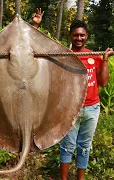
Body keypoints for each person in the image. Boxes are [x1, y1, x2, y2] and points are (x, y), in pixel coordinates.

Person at [59, 20, 114, 180]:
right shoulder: (64, 57)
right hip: (71, 109)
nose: (79, 38)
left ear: (86, 36)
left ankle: (80, 178)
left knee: (84, 146)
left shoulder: (93, 56)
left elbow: (103, 82)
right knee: (67, 146)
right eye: (75, 35)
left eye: (82, 35)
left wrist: (104, 59)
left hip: (92, 108)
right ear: (70, 36)